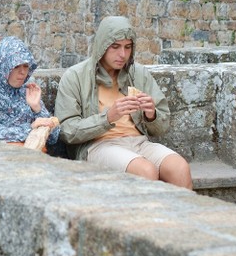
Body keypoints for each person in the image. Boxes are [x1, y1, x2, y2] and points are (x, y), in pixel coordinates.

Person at [54, 16, 192, 188]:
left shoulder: (139, 74)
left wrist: (151, 115)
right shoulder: (75, 76)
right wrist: (107, 118)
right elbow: (66, 131)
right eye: (115, 47)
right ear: (102, 46)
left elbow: (162, 126)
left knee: (180, 168)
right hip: (99, 146)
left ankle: (179, 215)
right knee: (146, 171)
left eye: (128, 47)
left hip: (139, 143)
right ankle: (147, 216)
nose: (122, 54)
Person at [0, 36, 61, 154]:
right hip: (1, 159)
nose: (22, 72)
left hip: (35, 157)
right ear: (4, 67)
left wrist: (37, 108)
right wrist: (30, 129)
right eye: (16, 66)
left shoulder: (27, 92)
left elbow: (54, 137)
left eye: (26, 66)